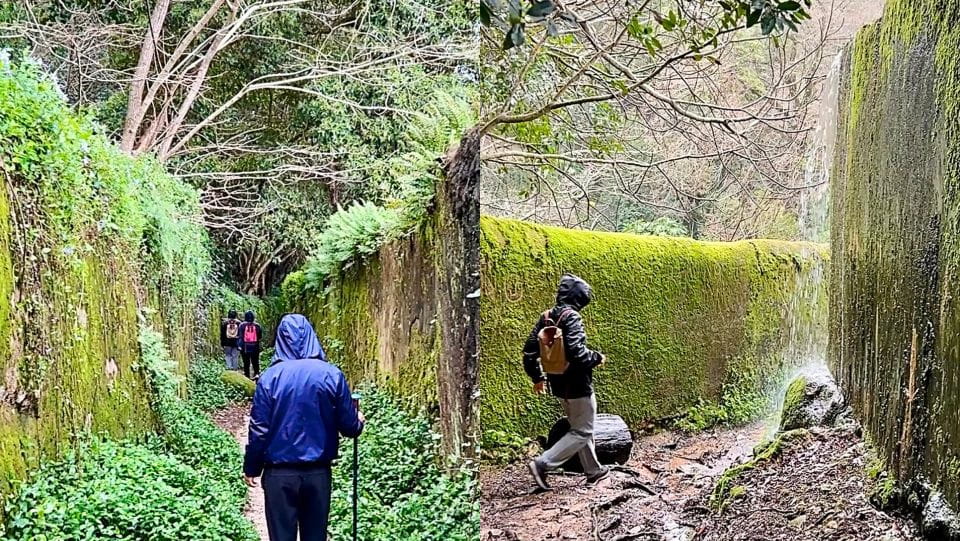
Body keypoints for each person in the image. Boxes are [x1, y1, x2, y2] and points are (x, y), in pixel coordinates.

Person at [243, 313, 365, 541]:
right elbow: (349, 427)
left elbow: (259, 430)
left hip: (279, 475)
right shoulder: (331, 374)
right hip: (318, 473)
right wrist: (358, 421)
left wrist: (252, 467)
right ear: (311, 336)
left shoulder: (269, 378)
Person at [523, 273, 609, 490]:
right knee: (583, 430)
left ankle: (593, 471)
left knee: (580, 427)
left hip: (558, 384)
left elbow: (529, 351)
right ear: (579, 296)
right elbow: (578, 355)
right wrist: (597, 357)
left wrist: (537, 378)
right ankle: (543, 464)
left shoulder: (546, 317)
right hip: (578, 385)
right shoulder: (572, 317)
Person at [237, 310, 263, 379]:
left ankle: (247, 376)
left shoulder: (242, 325)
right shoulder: (257, 326)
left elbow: (240, 336)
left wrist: (239, 346)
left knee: (246, 363)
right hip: (255, 346)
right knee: (255, 362)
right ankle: (257, 374)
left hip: (245, 347)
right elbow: (260, 337)